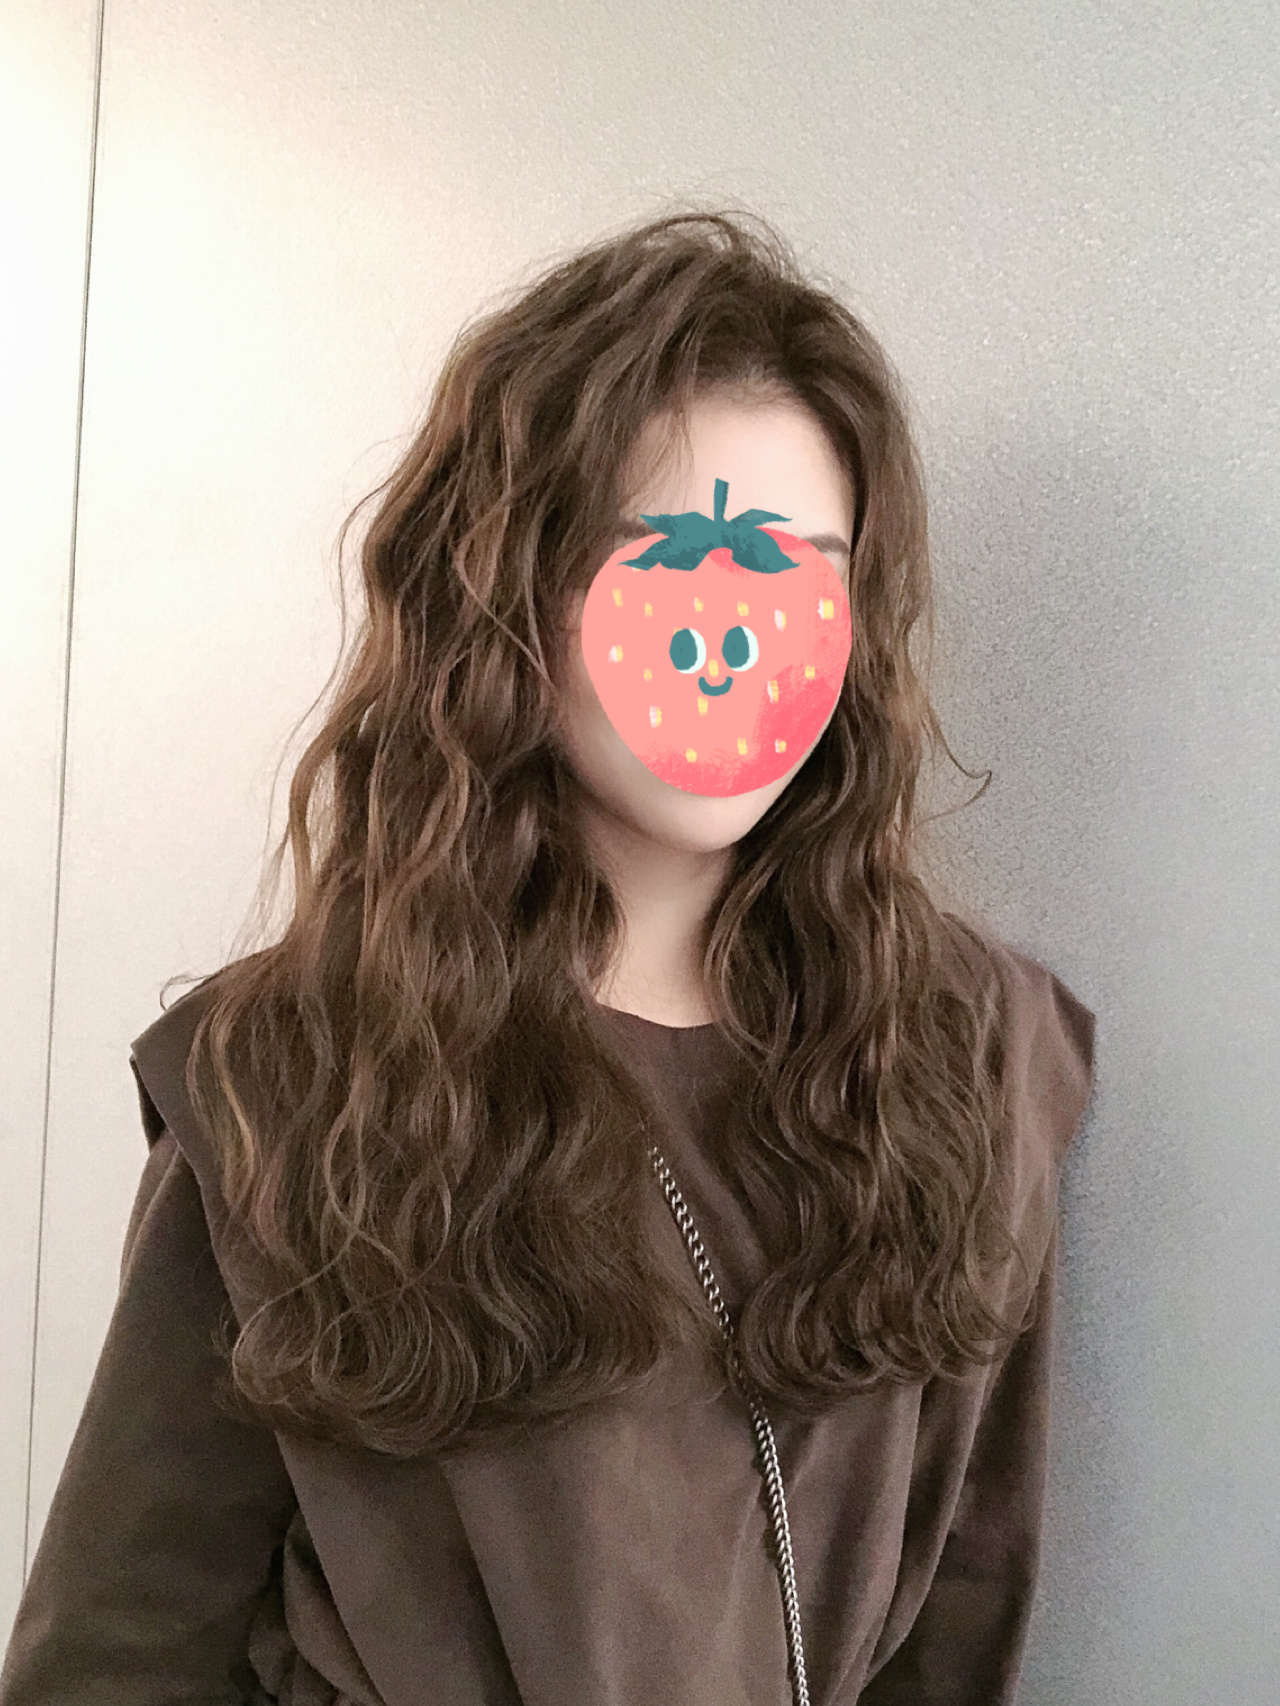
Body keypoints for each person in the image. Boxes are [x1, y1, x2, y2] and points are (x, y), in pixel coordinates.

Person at [0, 209, 1095, 1706]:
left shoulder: (978, 1053)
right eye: (666, 564)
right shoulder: (293, 1074)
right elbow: (119, 1650)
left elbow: (966, 1608)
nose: (731, 641)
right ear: (507, 593)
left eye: (798, 573)